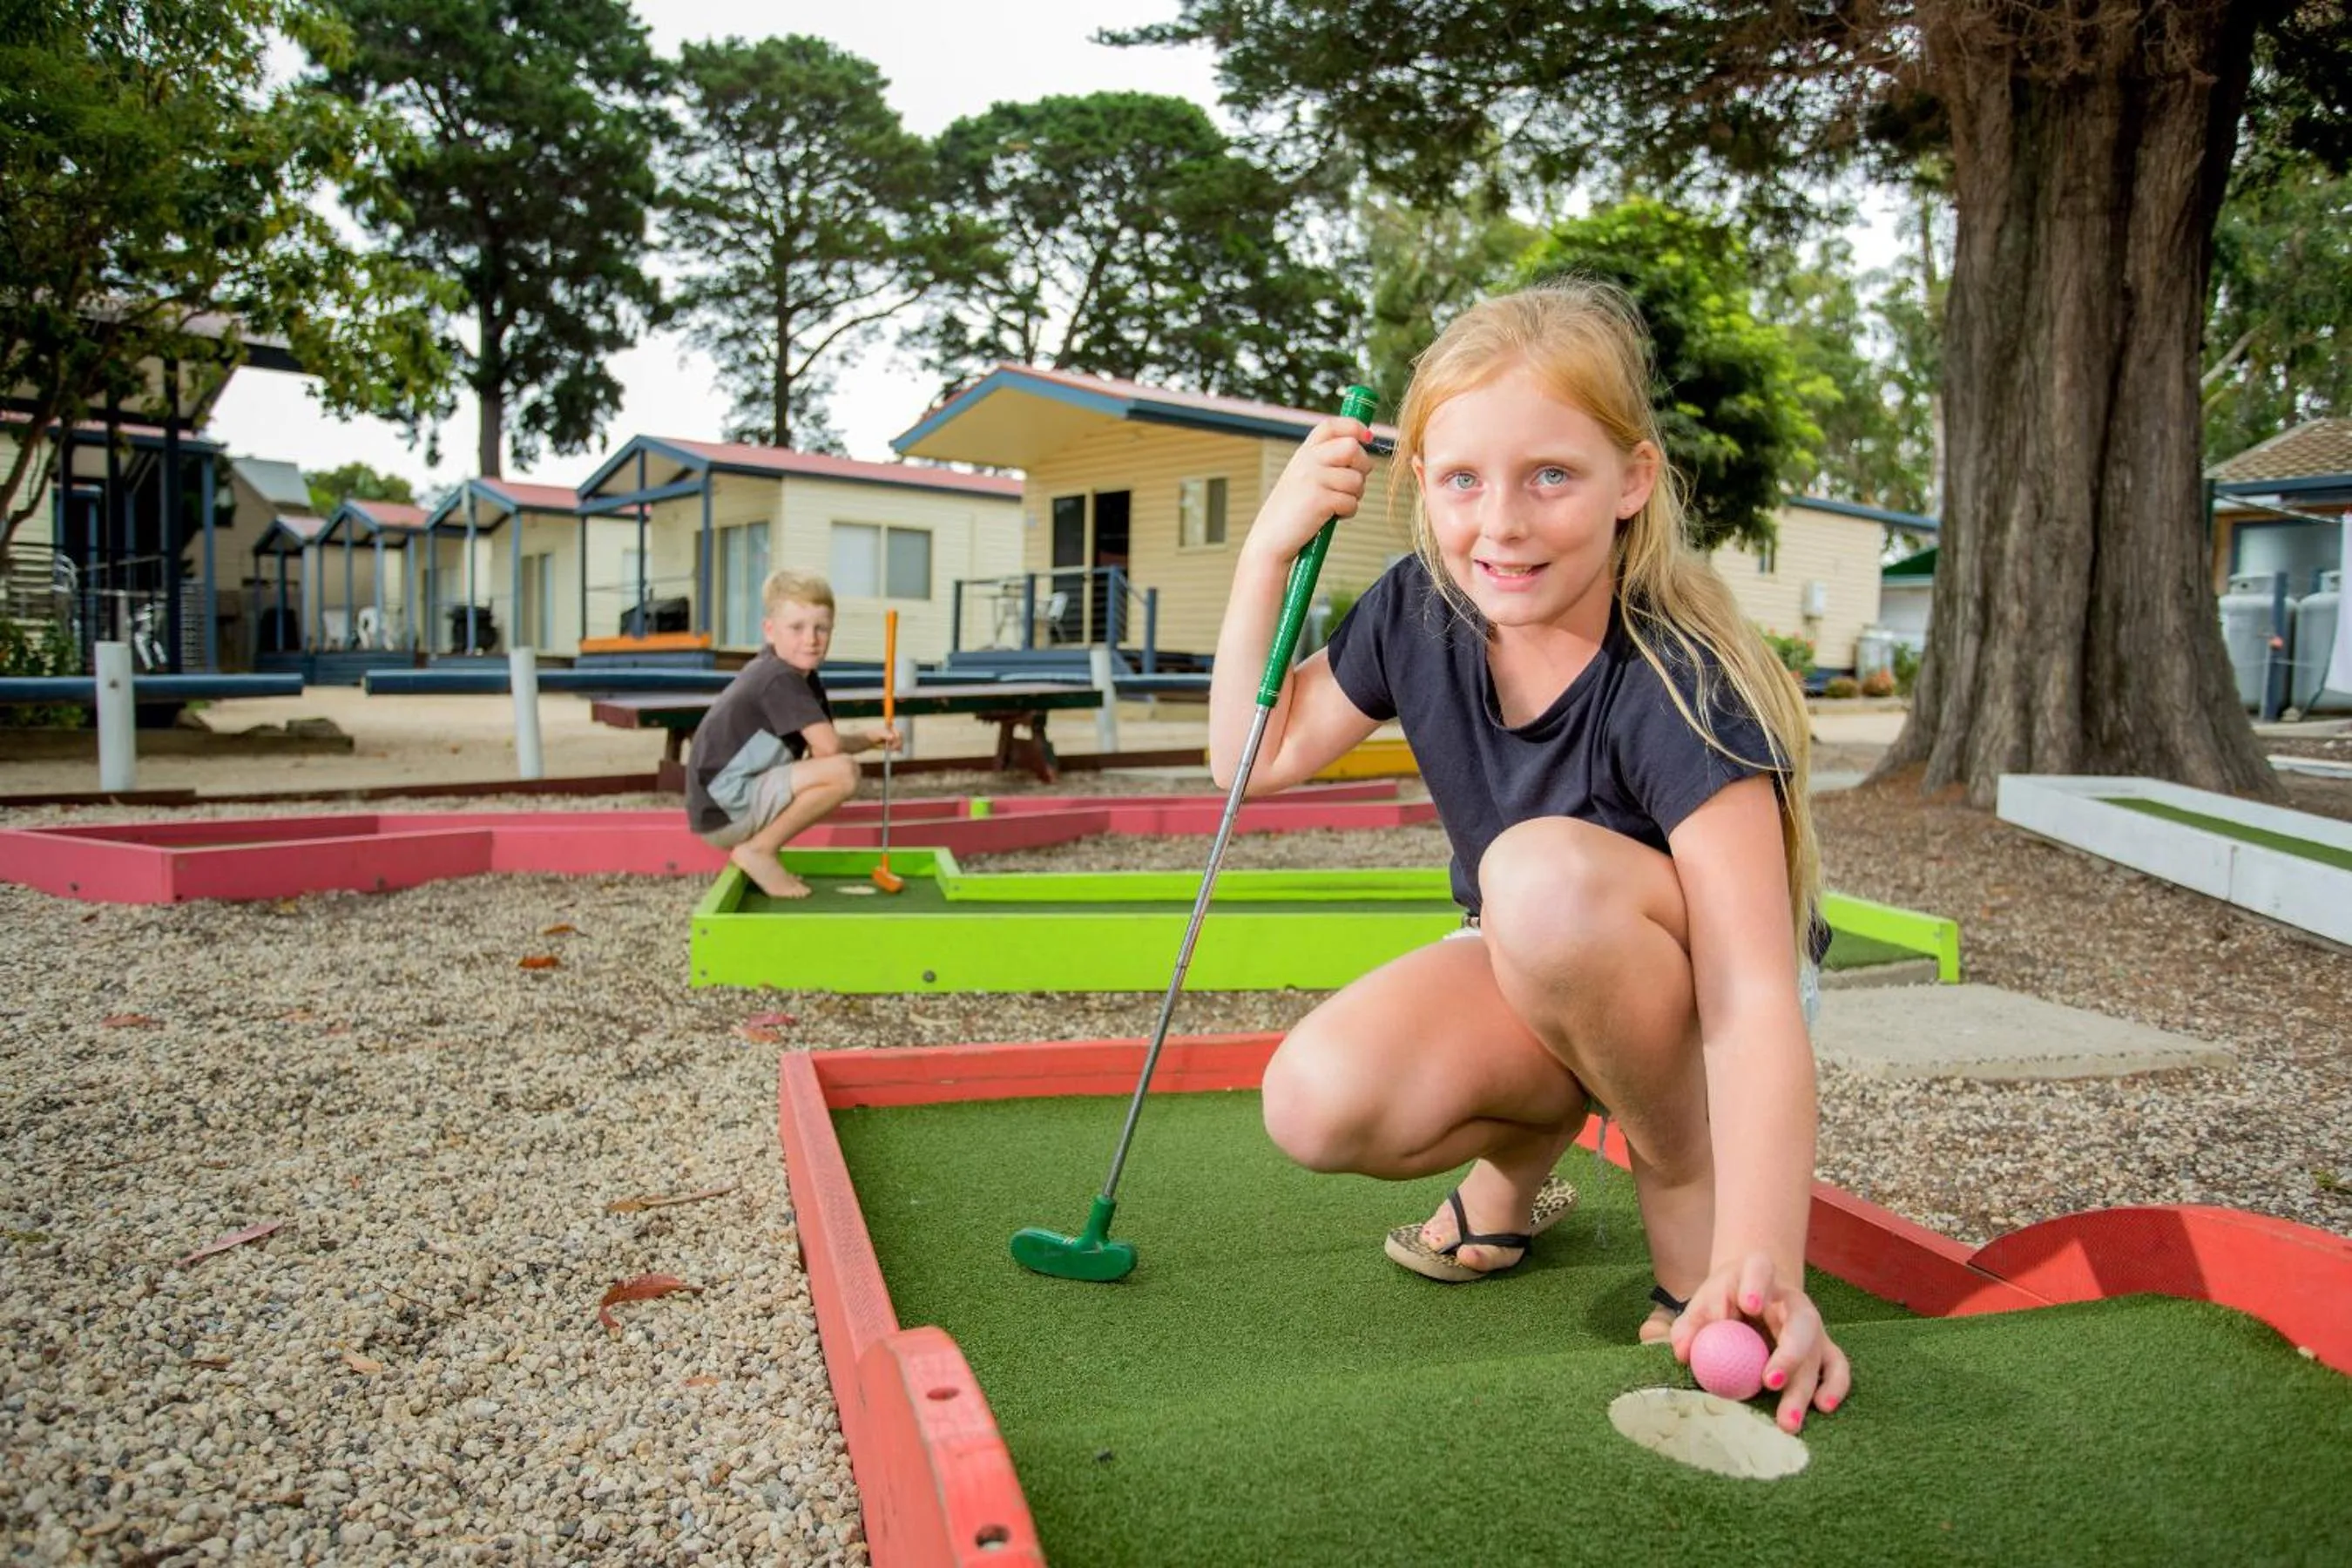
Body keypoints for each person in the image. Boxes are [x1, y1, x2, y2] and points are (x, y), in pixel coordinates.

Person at [1206, 282, 1850, 1433]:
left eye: (1551, 474)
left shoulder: (1676, 677)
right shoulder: (1419, 609)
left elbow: (1754, 1000)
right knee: (1315, 1101)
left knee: (1538, 879)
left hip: (1712, 985)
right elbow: (1251, 757)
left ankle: (1678, 1171)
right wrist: (1266, 551)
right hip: (1546, 949)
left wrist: (1767, 1265)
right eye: (1461, 479)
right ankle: (1534, 1151)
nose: (1500, 521)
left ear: (1631, 482)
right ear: (1420, 486)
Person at [686, 570, 896, 899]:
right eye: (796, 628)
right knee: (844, 773)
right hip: (726, 807)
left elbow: (822, 747)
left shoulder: (800, 677)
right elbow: (829, 752)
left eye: (821, 628)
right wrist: (863, 741)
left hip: (722, 804)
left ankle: (758, 849)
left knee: (837, 767)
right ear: (770, 630)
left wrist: (870, 737)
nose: (811, 639)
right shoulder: (778, 678)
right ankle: (759, 850)